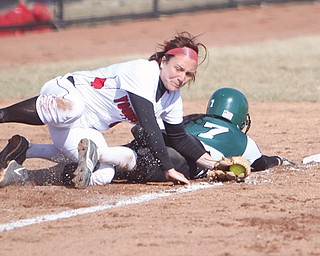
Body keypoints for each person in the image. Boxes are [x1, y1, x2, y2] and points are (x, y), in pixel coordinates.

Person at [0, 31, 219, 188]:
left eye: (188, 74)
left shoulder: (172, 98)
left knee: (103, 174)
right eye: (178, 69)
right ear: (163, 61)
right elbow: (150, 126)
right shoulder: (144, 71)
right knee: (72, 108)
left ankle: (24, 151)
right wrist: (168, 168)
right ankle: (3, 115)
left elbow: (178, 137)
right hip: (65, 92)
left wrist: (217, 164)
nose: (181, 78)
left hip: (85, 126)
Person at [114, 88, 294, 183]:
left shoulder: (195, 120)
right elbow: (261, 163)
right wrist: (278, 160)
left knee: (135, 151)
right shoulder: (245, 141)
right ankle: (129, 160)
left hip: (169, 138)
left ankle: (107, 155)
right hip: (191, 157)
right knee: (158, 161)